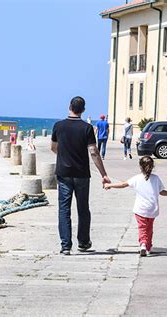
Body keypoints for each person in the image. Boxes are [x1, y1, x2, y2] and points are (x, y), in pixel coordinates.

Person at [51, 96, 111, 255]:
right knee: (83, 208)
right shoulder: (87, 128)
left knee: (64, 209)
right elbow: (93, 152)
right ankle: (83, 242)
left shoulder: (58, 126)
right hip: (82, 174)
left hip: (63, 173)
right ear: (83, 110)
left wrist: (64, 156)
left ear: (69, 106)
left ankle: (65, 245)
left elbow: (53, 148)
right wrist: (103, 174)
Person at [104, 156, 167, 256]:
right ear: (152, 166)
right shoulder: (156, 178)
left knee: (142, 228)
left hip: (140, 209)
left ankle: (142, 244)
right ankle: (148, 247)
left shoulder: (137, 178)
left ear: (140, 167)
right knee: (149, 229)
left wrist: (109, 185)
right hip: (152, 209)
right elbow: (162, 192)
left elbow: (123, 184)